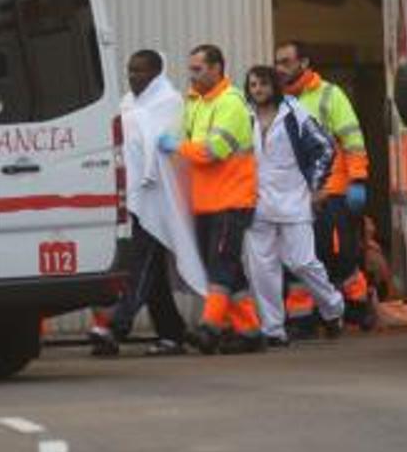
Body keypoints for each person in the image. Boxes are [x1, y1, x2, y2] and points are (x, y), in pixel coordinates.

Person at [89, 50, 207, 357]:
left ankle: (117, 326)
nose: (133, 76)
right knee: (150, 272)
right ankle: (172, 333)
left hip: (159, 199)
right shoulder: (128, 103)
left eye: (140, 70)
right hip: (135, 197)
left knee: (141, 266)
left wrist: (132, 124)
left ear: (157, 73)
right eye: (130, 70)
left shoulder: (170, 101)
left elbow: (159, 145)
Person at [158, 44, 263, 354]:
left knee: (221, 265)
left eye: (197, 69)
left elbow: (212, 151)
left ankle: (209, 326)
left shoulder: (230, 103)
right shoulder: (197, 102)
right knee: (226, 268)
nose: (192, 74)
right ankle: (249, 331)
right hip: (207, 202)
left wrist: (176, 147)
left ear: (217, 68)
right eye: (191, 68)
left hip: (232, 200)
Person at [274, 40, 377, 331]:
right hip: (295, 195)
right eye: (277, 63)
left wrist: (357, 180)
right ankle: (302, 318)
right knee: (299, 258)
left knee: (339, 255)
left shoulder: (329, 95)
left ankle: (357, 307)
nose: (279, 68)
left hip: (333, 190)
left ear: (303, 63)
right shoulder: (278, 101)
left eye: (285, 62)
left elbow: (352, 139)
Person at [242, 65, 346, 348]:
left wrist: (315, 186)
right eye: (252, 85)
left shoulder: (294, 112)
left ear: (274, 86)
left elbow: (325, 146)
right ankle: (273, 329)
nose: (257, 90)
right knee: (262, 268)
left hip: (294, 199)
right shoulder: (244, 114)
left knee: (302, 262)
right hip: (257, 202)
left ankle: (333, 308)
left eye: (262, 84)